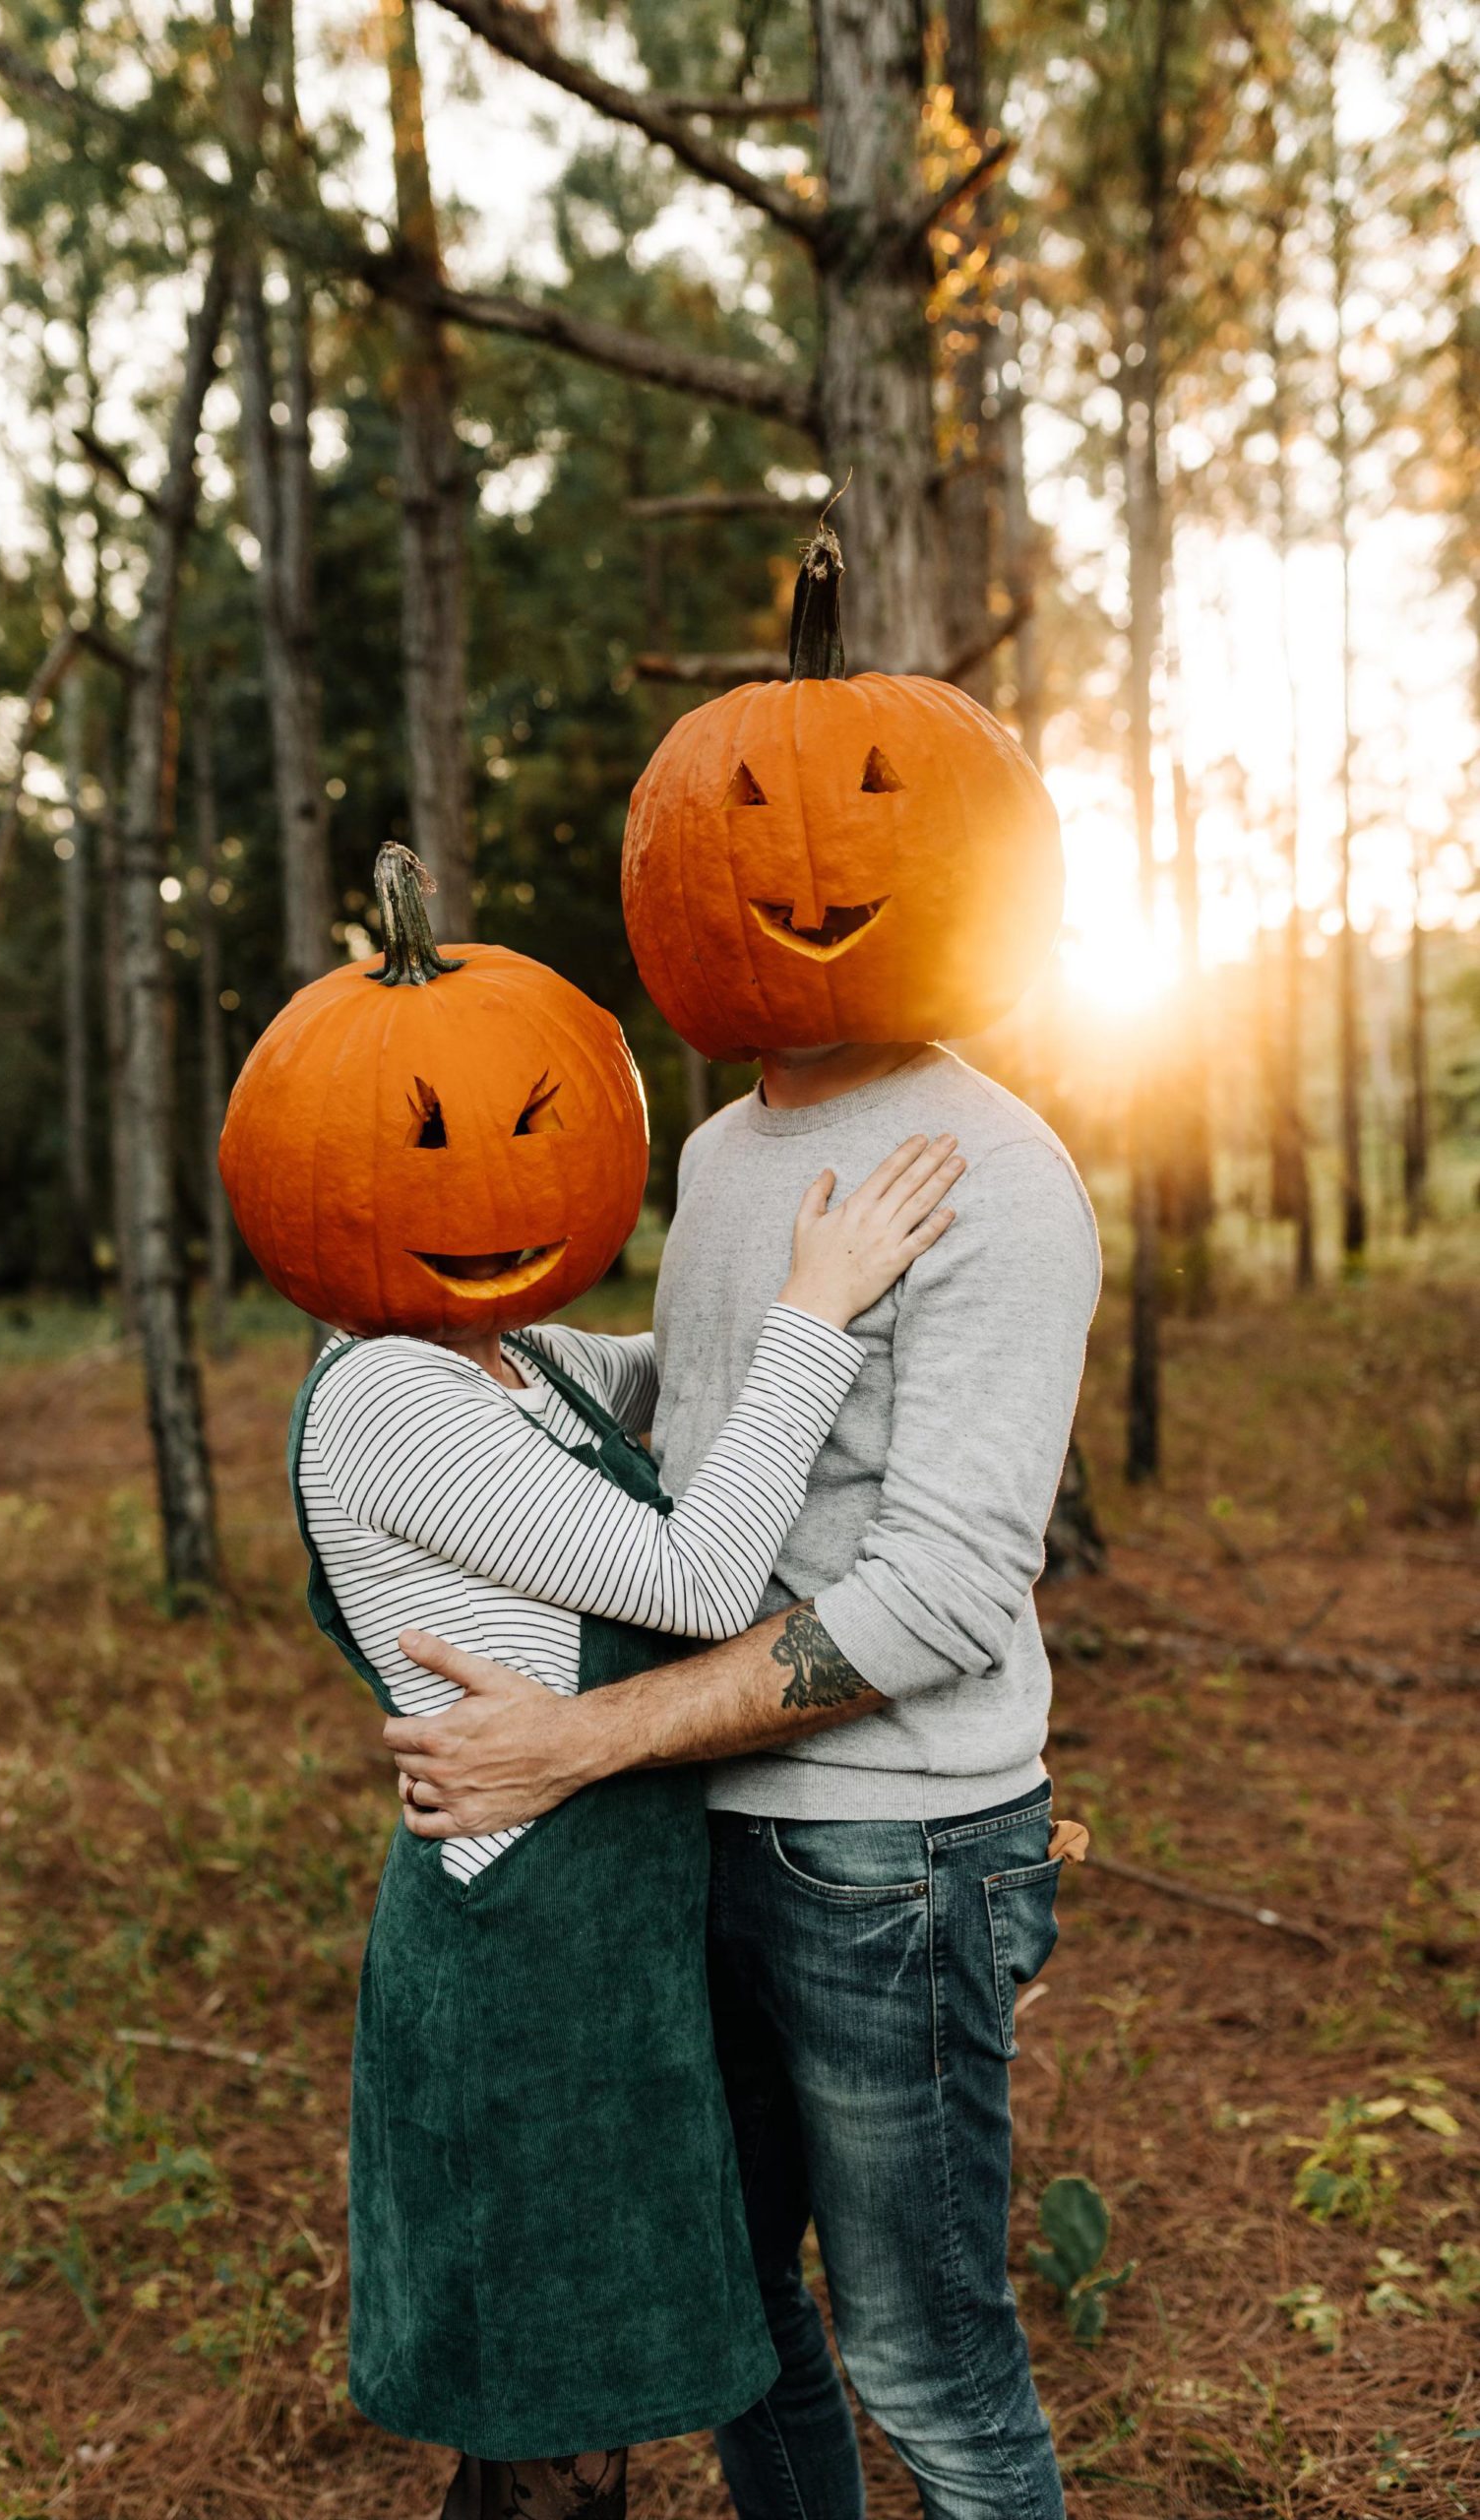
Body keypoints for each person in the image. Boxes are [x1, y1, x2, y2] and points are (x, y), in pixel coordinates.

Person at [262, 851, 967, 2520]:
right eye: (437, 1142)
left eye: (537, 1124)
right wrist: (816, 1300)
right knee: (554, 2443)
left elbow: (670, 1379)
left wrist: (757, 1226)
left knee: (598, 2416)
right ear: (323, 1179)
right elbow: (701, 1579)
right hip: (526, 1972)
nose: (505, 1179)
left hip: (612, 1939)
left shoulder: (498, 1358)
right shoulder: (388, 1399)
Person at [384, 1032, 1101, 2520]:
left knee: (926, 2362)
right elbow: (702, 1395)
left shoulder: (1000, 1170)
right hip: (694, 1842)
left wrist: (585, 1736)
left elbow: (947, 1595)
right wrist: (459, 1357)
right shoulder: (715, 1154)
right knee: (741, 2328)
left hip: (892, 1863)